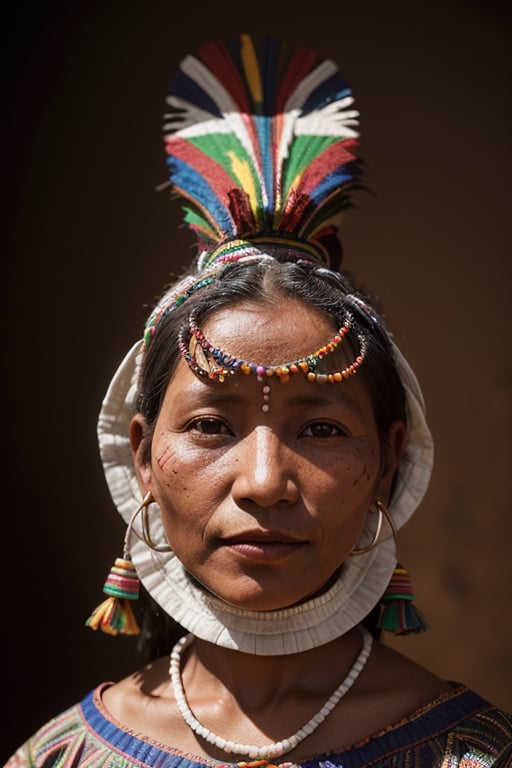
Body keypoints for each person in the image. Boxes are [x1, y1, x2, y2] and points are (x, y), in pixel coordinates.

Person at [6, 33, 511, 768]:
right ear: (142, 456)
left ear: (391, 461)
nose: (265, 482)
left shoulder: (473, 757)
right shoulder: (59, 759)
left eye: (321, 428)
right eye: (212, 425)